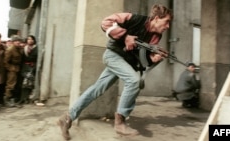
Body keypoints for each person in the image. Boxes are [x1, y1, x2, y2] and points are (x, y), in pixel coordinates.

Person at [57, 4, 173, 140]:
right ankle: (120, 122)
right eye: (167, 22)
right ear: (156, 18)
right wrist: (125, 37)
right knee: (133, 80)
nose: (168, 27)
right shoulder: (132, 18)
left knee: (97, 89)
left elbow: (143, 61)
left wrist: (154, 58)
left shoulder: (155, 37)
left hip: (124, 62)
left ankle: (67, 117)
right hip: (112, 55)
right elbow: (106, 23)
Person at [4, 35, 23, 107]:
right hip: (12, 70)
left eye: (19, 41)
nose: (18, 42)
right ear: (13, 42)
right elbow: (5, 62)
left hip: (17, 69)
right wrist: (11, 69)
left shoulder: (18, 48)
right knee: (10, 85)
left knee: (15, 85)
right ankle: (7, 100)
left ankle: (13, 100)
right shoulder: (10, 50)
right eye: (16, 41)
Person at [18, 35, 38, 105]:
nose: (30, 40)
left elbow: (35, 57)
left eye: (31, 39)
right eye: (28, 39)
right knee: (24, 83)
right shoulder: (24, 49)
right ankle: (22, 98)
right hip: (25, 67)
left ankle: (27, 98)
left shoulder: (36, 48)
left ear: (34, 40)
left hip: (32, 67)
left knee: (29, 83)